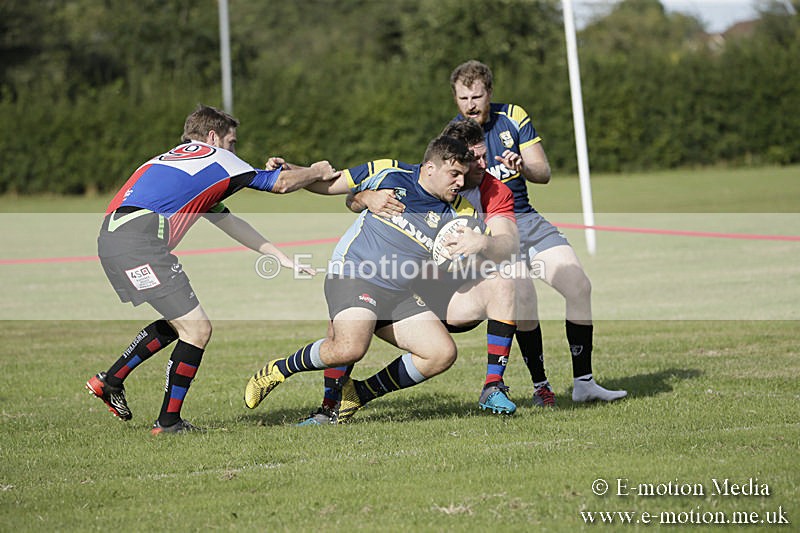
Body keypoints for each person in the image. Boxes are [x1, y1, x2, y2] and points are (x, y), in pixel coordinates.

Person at [86, 104, 339, 434]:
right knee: (197, 330)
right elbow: (280, 184)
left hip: (112, 240)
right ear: (212, 136)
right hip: (140, 243)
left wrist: (278, 255)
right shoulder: (217, 157)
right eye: (232, 141)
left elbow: (227, 221)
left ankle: (110, 381)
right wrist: (317, 170)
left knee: (180, 322)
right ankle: (168, 423)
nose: (235, 149)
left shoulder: (173, 160)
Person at [243, 135, 507, 423]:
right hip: (355, 274)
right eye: (454, 174)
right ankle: (279, 369)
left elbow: (498, 251)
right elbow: (330, 183)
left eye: (463, 176)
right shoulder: (389, 171)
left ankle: (357, 393)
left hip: (398, 291)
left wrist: (481, 244)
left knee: (441, 353)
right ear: (429, 167)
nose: (459, 183)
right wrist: (292, 171)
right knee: (350, 347)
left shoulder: (461, 213)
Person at [450, 60, 627, 405]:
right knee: (525, 300)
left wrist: (522, 165)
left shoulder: (513, 117)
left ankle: (584, 383)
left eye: (477, 95)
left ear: (490, 92)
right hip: (492, 228)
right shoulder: (454, 134)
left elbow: (543, 172)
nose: (470, 104)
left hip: (527, 220)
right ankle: (541, 386)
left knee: (579, 286)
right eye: (462, 97)